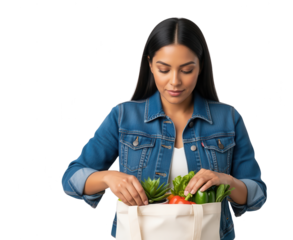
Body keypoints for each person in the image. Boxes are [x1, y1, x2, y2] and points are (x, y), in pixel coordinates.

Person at [61, 15, 268, 240]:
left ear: (200, 66)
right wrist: (108, 178)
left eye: (187, 70)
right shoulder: (122, 116)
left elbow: (256, 193)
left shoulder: (228, 117)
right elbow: (71, 179)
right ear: (150, 65)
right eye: (164, 69)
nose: (175, 81)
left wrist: (227, 181)